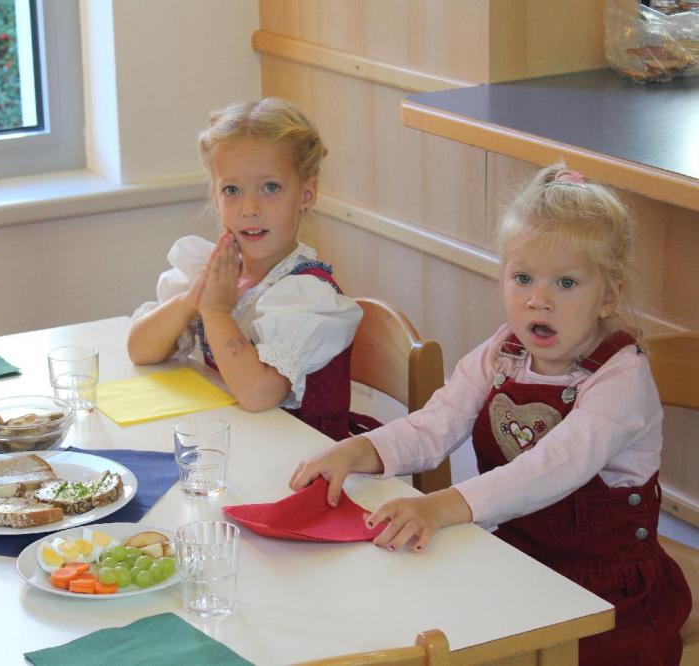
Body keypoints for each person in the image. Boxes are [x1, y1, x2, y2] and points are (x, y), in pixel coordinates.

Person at [290, 165, 690, 665]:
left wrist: (440, 506)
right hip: (515, 561)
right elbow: (434, 425)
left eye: (566, 282)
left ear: (608, 297)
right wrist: (358, 451)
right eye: (523, 278)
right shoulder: (502, 353)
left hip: (603, 591)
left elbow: (549, 470)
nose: (538, 300)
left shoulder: (621, 378)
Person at [127, 98, 364, 440]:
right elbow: (140, 351)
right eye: (232, 190)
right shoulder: (219, 273)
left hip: (302, 459)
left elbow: (258, 394)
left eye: (271, 188)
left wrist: (215, 310)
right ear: (215, 197)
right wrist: (193, 298)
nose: (249, 208)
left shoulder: (308, 294)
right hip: (239, 447)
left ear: (306, 194)